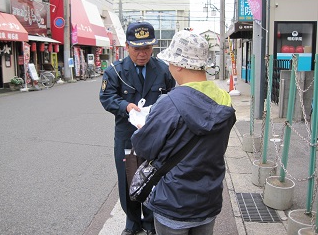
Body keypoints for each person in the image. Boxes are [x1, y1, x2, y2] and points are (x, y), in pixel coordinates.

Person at [131, 30, 236, 235]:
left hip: (174, 200)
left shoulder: (169, 103)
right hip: (209, 197)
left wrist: (145, 128)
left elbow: (144, 147)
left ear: (178, 65)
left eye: (170, 62)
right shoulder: (224, 98)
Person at [99, 21, 175, 235]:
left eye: (147, 48)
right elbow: (106, 97)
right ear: (127, 46)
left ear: (154, 47)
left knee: (154, 178)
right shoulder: (115, 71)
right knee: (128, 179)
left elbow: (173, 97)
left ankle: (151, 224)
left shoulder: (163, 69)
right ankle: (132, 223)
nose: (142, 53)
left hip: (156, 137)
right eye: (137, 48)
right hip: (127, 136)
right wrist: (125, 106)